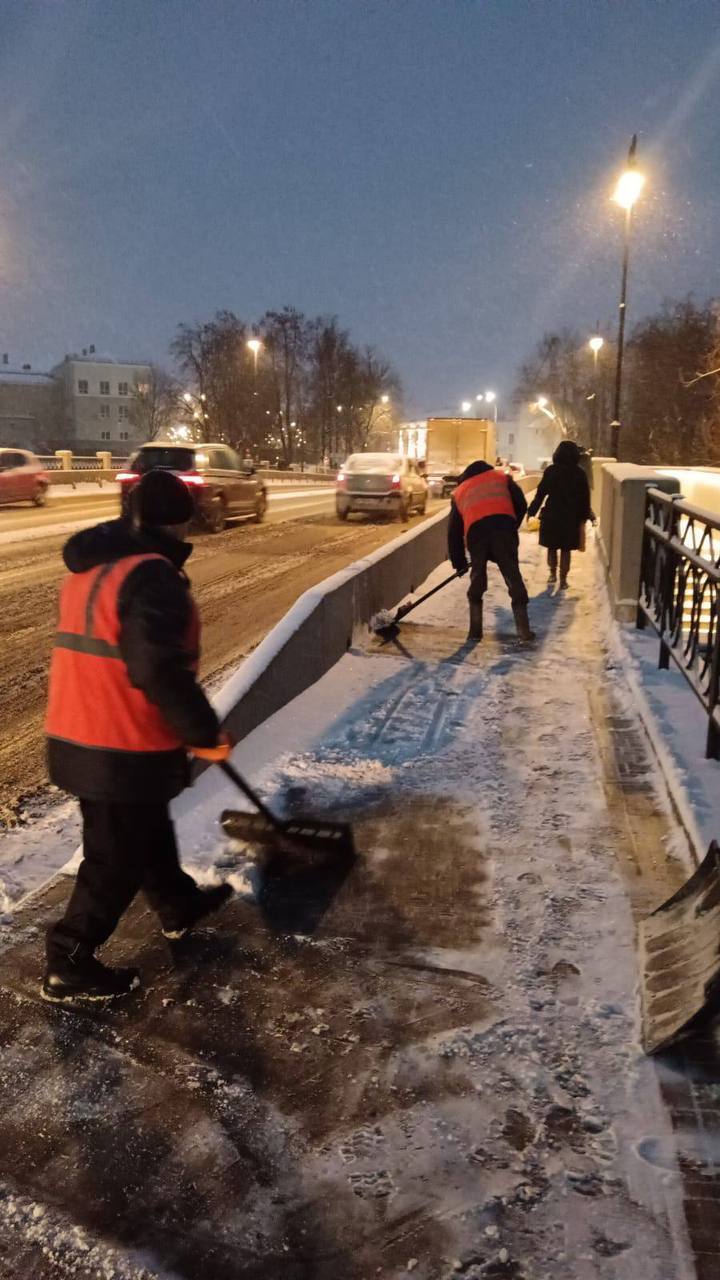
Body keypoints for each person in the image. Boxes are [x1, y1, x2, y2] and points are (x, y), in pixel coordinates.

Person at [43, 469, 234, 1005]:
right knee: (114, 858)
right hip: (118, 742)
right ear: (178, 523)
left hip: (79, 729)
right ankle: (68, 959)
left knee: (145, 826)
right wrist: (202, 731)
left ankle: (177, 905)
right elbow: (159, 669)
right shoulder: (152, 577)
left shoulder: (98, 566)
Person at [448, 459, 534, 642]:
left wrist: (459, 563)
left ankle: (475, 632)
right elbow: (521, 504)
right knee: (513, 577)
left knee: (477, 579)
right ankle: (524, 631)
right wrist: (511, 526)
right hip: (504, 530)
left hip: (476, 535)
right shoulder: (502, 478)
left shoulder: (460, 491)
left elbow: (453, 532)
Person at [527, 440, 595, 589]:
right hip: (570, 518)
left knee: (552, 547)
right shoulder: (580, 473)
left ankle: (552, 573)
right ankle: (563, 579)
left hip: (552, 515)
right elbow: (584, 498)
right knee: (566, 549)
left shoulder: (551, 471)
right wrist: (585, 516)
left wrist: (531, 511)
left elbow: (540, 494)